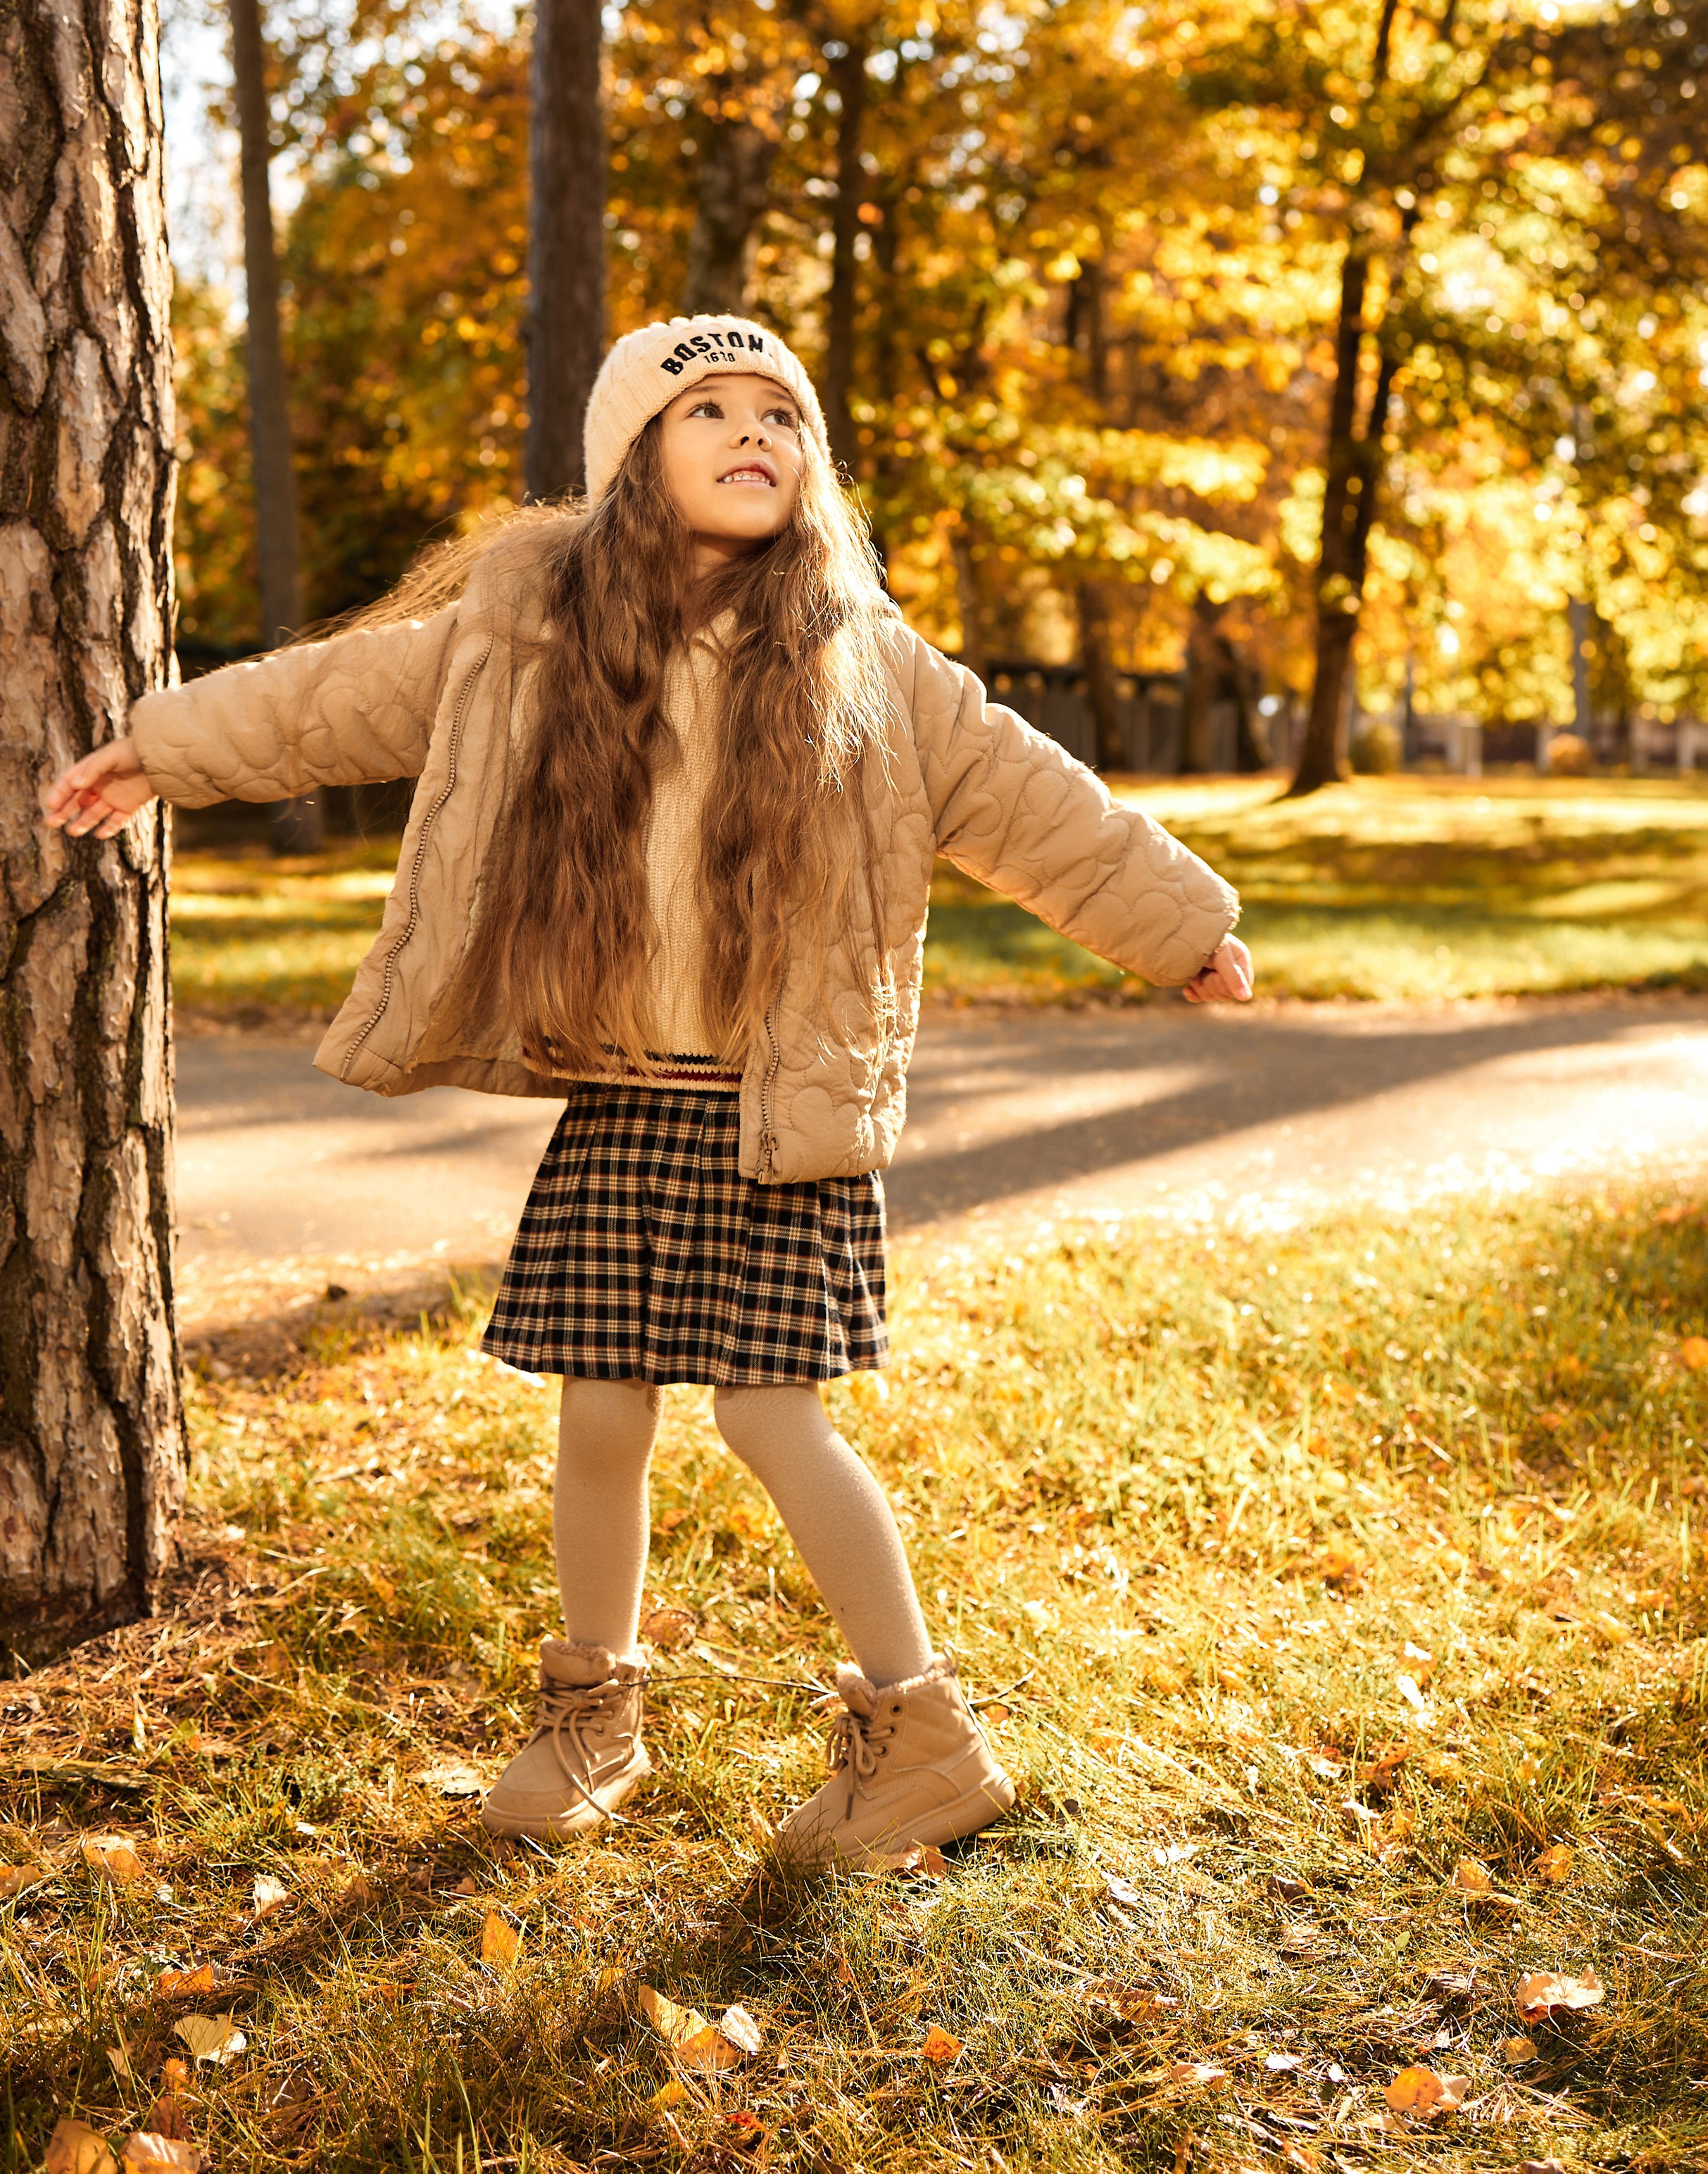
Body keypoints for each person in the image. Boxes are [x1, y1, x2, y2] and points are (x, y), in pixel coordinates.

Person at [44, 313, 1254, 1862]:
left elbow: (1035, 803)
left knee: (767, 1410)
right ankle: (594, 1716)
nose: (754, 435)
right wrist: (158, 750)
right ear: (631, 459)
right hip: (618, 1092)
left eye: (779, 416)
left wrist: (1181, 924)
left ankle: (921, 1734)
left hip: (773, 1106)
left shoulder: (867, 657)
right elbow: (327, 703)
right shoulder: (527, 634)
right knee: (599, 1407)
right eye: (710, 412)